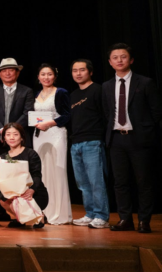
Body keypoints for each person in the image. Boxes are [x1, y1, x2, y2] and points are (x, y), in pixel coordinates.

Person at [103, 43, 162, 233]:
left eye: (123, 56)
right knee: (120, 182)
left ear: (131, 60)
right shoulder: (106, 86)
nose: (119, 60)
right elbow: (107, 112)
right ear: (110, 62)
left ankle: (144, 221)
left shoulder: (145, 82)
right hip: (116, 139)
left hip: (139, 139)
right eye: (115, 57)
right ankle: (125, 219)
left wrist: (145, 131)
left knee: (143, 182)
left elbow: (156, 111)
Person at [69, 59, 110, 228]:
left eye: (82, 70)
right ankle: (90, 213)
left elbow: (107, 115)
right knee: (83, 183)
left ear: (90, 72)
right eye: (75, 70)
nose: (78, 73)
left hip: (93, 142)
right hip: (75, 143)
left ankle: (101, 215)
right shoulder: (73, 95)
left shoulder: (98, 90)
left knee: (96, 181)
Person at [32, 63, 71, 225]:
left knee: (57, 171)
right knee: (42, 172)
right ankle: (45, 210)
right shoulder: (36, 94)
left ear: (54, 76)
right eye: (43, 74)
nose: (46, 77)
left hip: (56, 133)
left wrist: (50, 123)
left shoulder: (61, 92)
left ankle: (60, 213)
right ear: (38, 77)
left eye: (49, 74)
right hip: (39, 135)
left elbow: (67, 115)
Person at [0, 123, 47, 229]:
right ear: (4, 138)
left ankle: (39, 215)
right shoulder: (3, 157)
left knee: (20, 201)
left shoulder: (31, 153)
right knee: (2, 199)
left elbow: (37, 175)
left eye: (15, 134)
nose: (12, 137)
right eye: (8, 134)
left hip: (33, 192)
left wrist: (32, 190)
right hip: (14, 192)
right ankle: (16, 218)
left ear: (22, 137)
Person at [0, 58, 35, 156]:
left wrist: (12, 130)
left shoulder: (27, 91)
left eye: (11, 70)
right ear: (0, 74)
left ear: (17, 73)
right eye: (4, 71)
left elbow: (27, 113)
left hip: (20, 138)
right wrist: (1, 130)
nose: (7, 73)